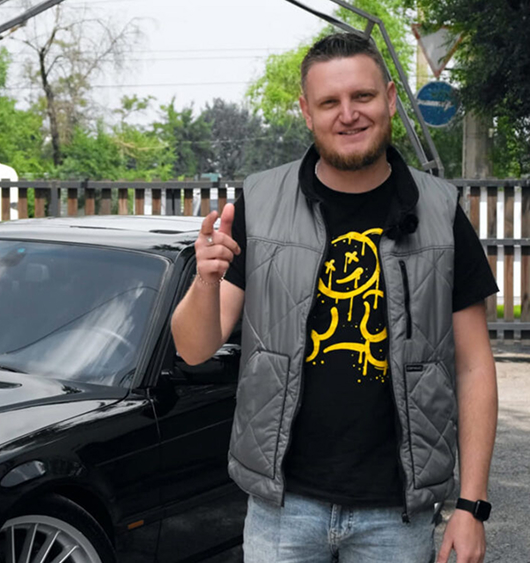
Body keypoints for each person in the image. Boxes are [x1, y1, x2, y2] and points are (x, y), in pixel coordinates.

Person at [171, 32, 498, 563]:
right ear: (307, 111)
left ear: (389, 98)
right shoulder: (260, 203)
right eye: (329, 102)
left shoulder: (440, 210)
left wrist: (471, 505)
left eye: (362, 96)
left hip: (397, 515)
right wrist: (206, 280)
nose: (348, 114)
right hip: (283, 509)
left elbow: (474, 367)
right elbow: (193, 349)